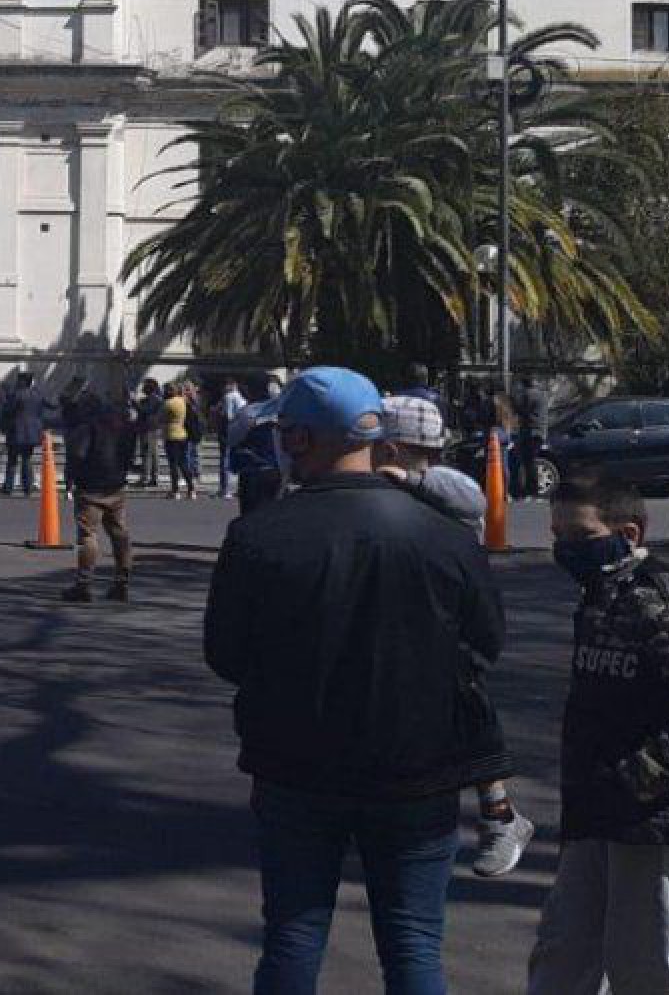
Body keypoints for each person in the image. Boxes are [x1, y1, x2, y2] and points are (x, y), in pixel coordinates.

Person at [203, 367, 508, 994]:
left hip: (296, 765)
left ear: (297, 440)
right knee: (414, 944)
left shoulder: (259, 536)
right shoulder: (444, 536)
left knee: (292, 935)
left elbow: (225, 654)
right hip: (420, 764)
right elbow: (486, 642)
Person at [526, 481, 669, 994]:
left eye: (580, 534)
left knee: (642, 961)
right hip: (600, 806)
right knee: (564, 949)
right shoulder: (600, 597)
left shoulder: (660, 603)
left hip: (653, 813)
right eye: (557, 534)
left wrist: (634, 780)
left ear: (628, 533)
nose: (565, 548)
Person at [376, 394, 536, 880]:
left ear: (396, 447)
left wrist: (414, 480)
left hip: (450, 616)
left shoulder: (443, 484)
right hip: (398, 612)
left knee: (466, 709)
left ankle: (500, 815)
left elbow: (474, 500)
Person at [61, 387, 134, 605]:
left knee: (87, 535)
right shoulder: (121, 426)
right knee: (119, 532)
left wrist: (70, 478)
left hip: (91, 486)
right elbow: (129, 453)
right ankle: (122, 582)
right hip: (116, 485)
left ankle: (84, 584)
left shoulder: (87, 428)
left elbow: (77, 455)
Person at [226, 393, 286, 517]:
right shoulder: (282, 410)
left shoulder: (247, 412)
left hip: (252, 469)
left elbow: (232, 438)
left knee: (250, 514)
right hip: (274, 469)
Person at [0, 371, 50, 497]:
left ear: (22, 381)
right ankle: (28, 487)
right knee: (26, 460)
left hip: (16, 431)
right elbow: (45, 408)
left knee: (12, 461)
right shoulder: (37, 395)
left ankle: (8, 487)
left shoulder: (16, 395)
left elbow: (8, 411)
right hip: (31, 433)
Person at [513, 375, 553, 501]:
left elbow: (521, 411)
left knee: (528, 462)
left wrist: (513, 402)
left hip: (530, 433)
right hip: (539, 432)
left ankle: (530, 489)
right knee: (531, 462)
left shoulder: (528, 395)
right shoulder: (542, 395)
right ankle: (531, 488)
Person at [161, 379, 198, 500]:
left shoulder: (168, 403)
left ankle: (175, 490)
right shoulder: (183, 402)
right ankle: (191, 489)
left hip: (171, 435)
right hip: (182, 434)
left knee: (173, 465)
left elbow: (159, 418)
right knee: (183, 464)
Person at [216, 378, 249, 499]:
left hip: (229, 431)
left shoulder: (229, 397)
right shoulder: (242, 398)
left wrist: (219, 412)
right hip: (242, 430)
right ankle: (237, 488)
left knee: (225, 458)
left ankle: (225, 489)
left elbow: (229, 416)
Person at [131, 378, 165, 489]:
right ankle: (153, 477)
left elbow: (145, 411)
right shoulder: (153, 400)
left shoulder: (154, 400)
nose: (142, 388)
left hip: (149, 429)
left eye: (145, 386)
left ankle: (146, 477)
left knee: (147, 454)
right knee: (153, 454)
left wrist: (134, 403)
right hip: (151, 429)